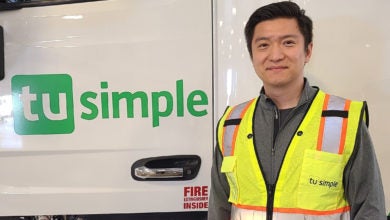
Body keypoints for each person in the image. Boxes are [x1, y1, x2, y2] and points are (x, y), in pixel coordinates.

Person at [208, 1, 386, 220]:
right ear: (252, 55)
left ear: (308, 50)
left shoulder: (343, 120)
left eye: (288, 43)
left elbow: (370, 210)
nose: (275, 55)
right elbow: (219, 209)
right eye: (263, 45)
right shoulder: (232, 124)